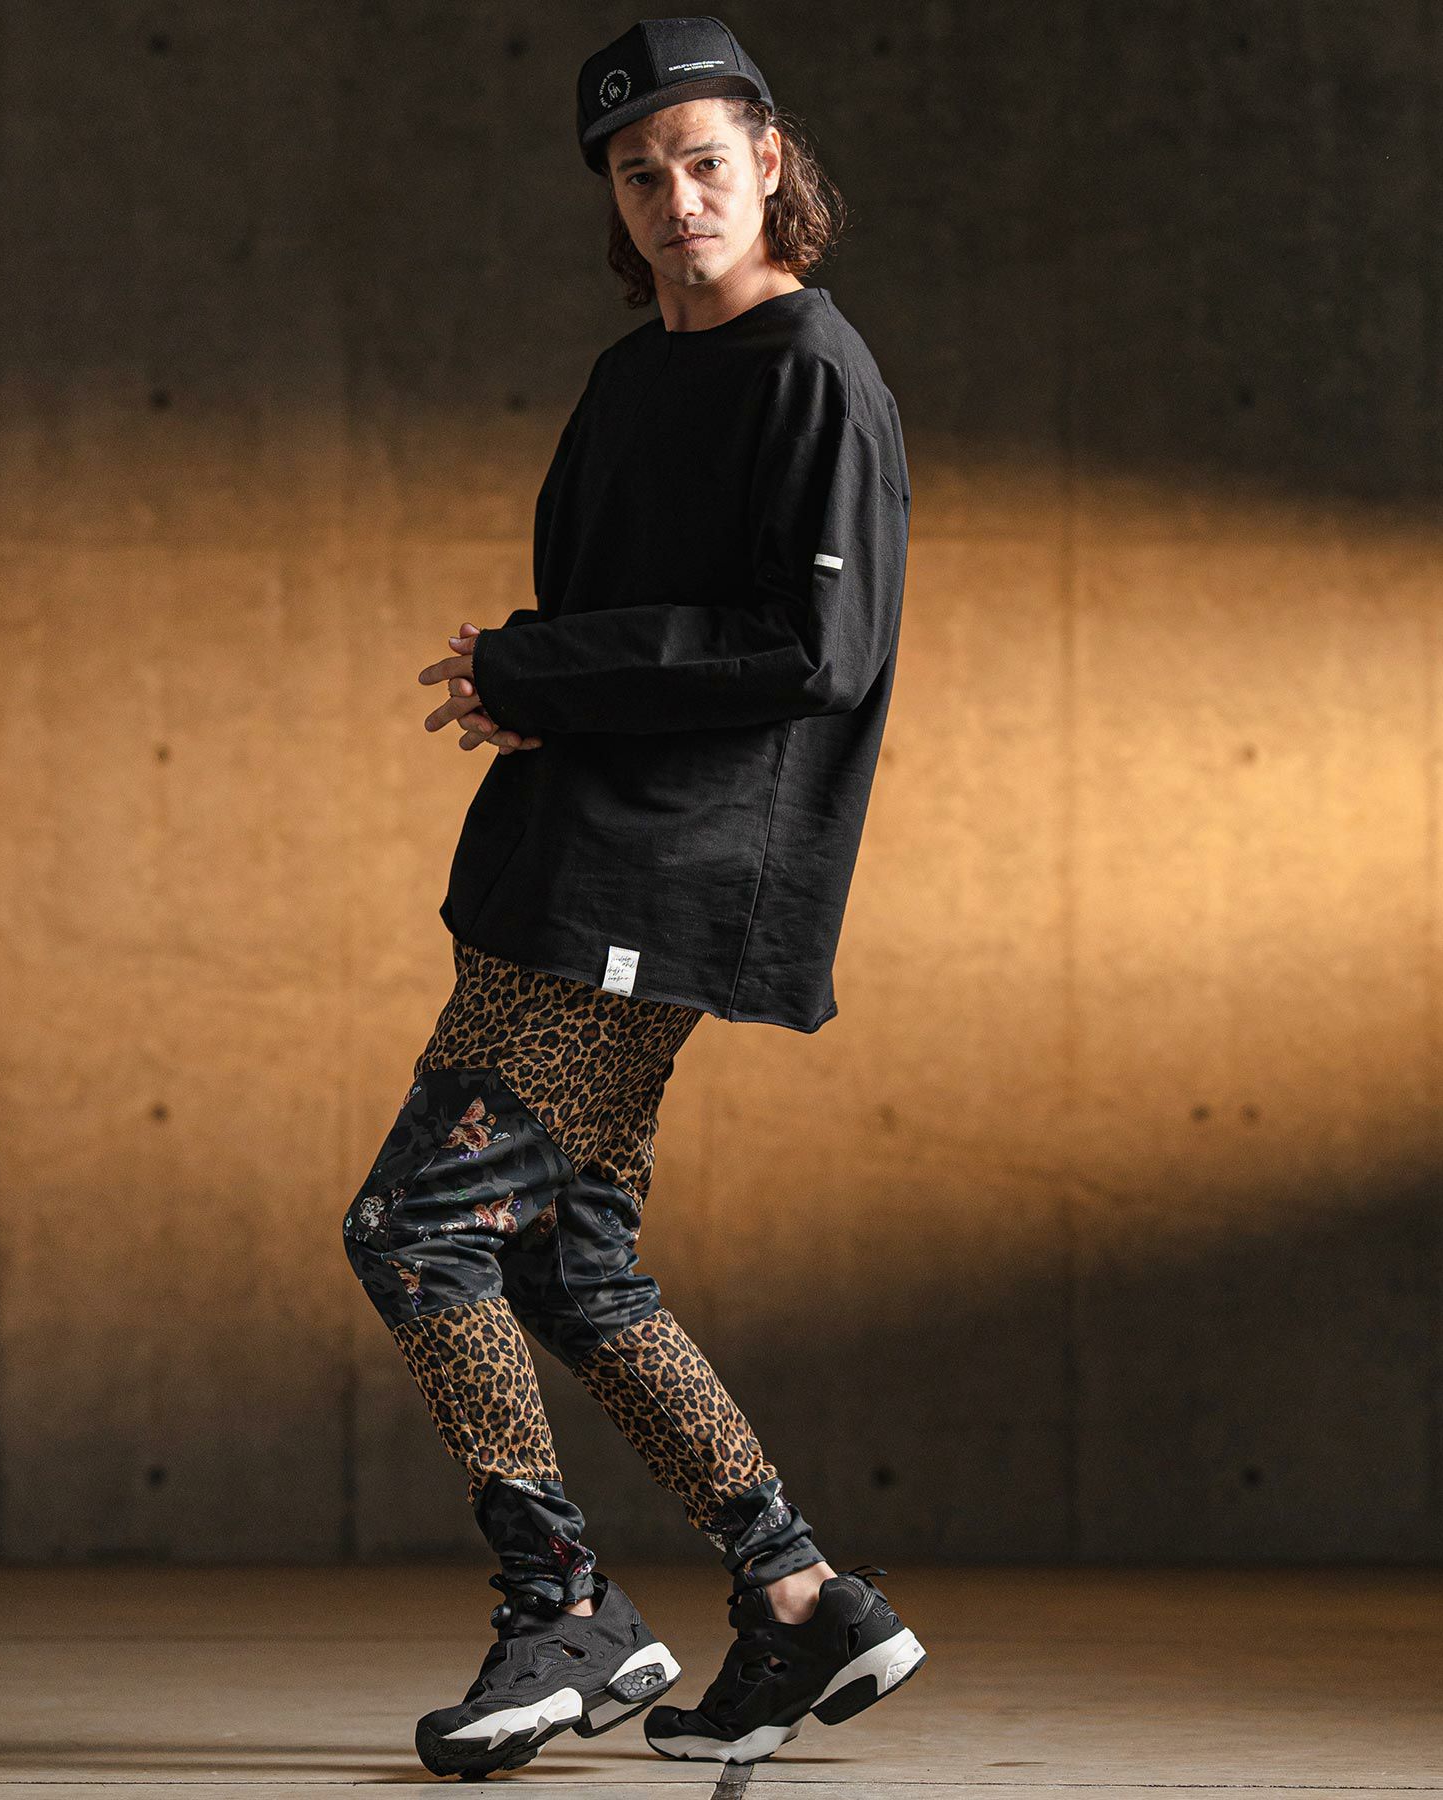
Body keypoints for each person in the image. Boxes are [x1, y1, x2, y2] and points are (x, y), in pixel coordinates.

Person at [340, 13, 925, 1779]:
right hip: (576, 856)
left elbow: (816, 648)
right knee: (571, 1258)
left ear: (771, 162)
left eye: (706, 161)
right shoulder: (632, 377)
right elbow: (610, 633)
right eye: (639, 172)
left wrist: (548, 667)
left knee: (420, 1229)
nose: (679, 199)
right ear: (613, 194)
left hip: (660, 882)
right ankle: (803, 1595)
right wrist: (540, 686)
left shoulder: (811, 372)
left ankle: (564, 1609)